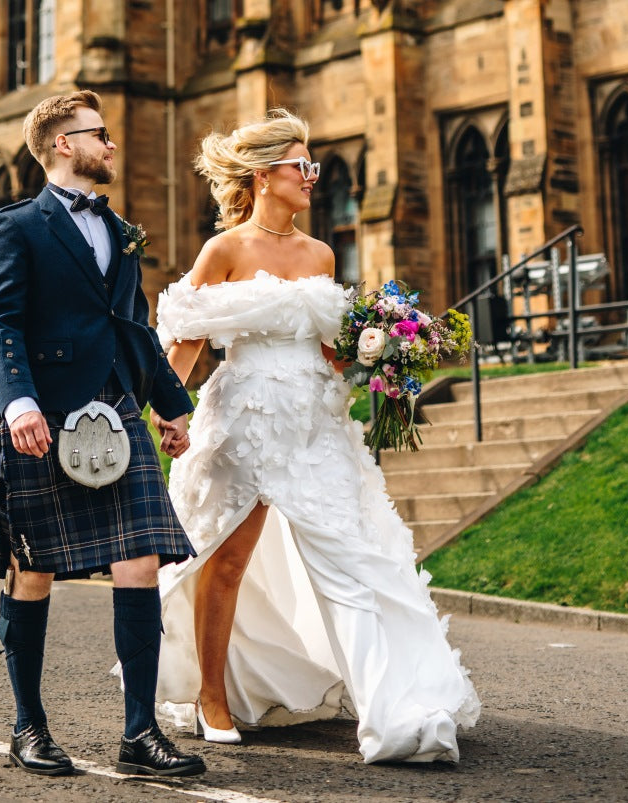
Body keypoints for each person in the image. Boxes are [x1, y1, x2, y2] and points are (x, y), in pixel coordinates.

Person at [150, 110, 481, 763]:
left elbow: (331, 350)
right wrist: (170, 412)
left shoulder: (321, 253)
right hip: (244, 417)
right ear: (263, 175)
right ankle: (211, 695)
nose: (312, 177)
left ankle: (392, 704)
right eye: (302, 166)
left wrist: (384, 350)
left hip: (313, 423)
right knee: (226, 561)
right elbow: (187, 337)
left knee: (351, 559)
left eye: (313, 166)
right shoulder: (224, 250)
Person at [0, 90, 206, 779]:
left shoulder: (117, 228)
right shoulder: (16, 225)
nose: (112, 145)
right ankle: (29, 726)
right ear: (63, 144)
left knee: (141, 560)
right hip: (45, 417)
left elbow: (133, 328)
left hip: (116, 412)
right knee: (35, 569)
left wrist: (171, 404)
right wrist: (19, 399)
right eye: (100, 135)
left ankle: (139, 733)